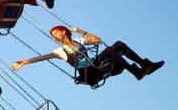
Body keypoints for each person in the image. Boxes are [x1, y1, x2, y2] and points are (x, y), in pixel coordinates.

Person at [12, 26, 164, 85]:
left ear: (64, 31)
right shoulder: (60, 51)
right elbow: (42, 57)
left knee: (118, 45)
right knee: (112, 51)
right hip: (88, 73)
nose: (55, 35)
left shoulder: (78, 41)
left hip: (96, 64)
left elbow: (97, 40)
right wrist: (24, 62)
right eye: (54, 35)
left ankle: (144, 65)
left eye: (57, 32)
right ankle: (136, 72)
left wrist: (81, 31)